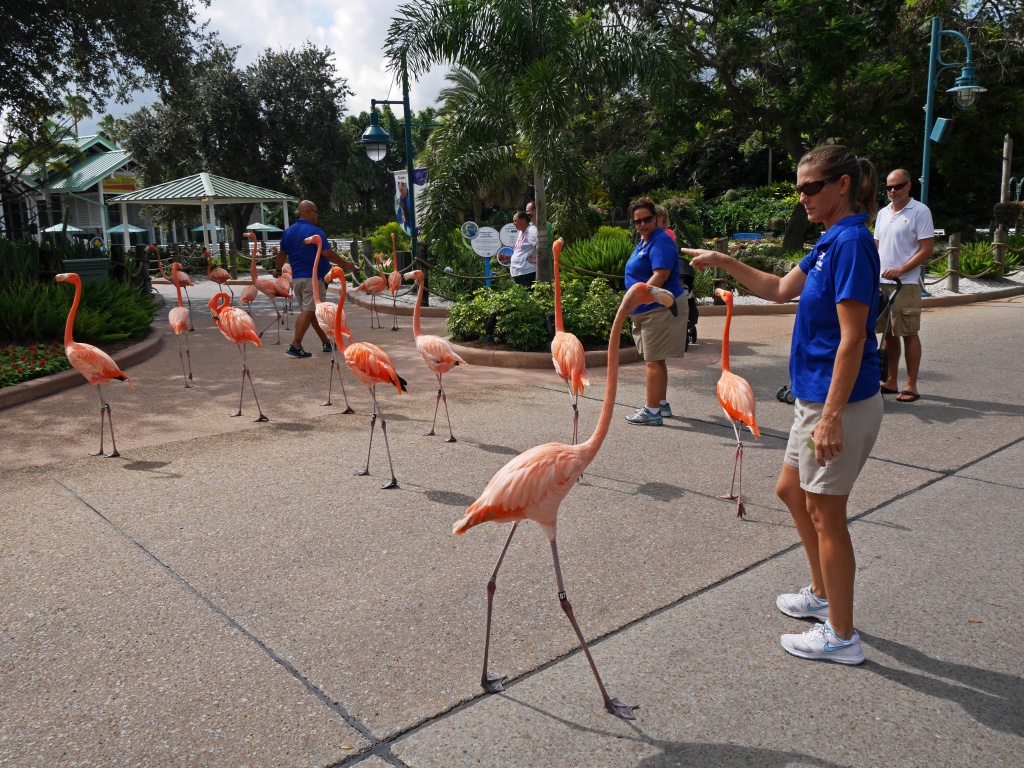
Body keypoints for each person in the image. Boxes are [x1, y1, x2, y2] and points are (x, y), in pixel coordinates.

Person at [684, 145, 883, 665]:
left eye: (812, 187)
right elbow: (777, 289)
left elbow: (853, 337)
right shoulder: (827, 242)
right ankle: (821, 596)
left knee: (827, 514)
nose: (803, 197)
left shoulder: (853, 243)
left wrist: (833, 415)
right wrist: (724, 261)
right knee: (790, 491)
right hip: (813, 399)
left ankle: (842, 636)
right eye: (799, 188)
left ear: (843, 185)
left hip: (836, 401)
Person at [623, 197, 688, 426]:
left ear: (656, 218)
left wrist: (634, 300)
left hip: (658, 308)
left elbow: (659, 277)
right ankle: (661, 404)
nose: (642, 224)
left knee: (653, 360)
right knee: (656, 359)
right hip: (646, 308)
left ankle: (652, 412)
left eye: (647, 219)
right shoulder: (646, 240)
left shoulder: (660, 241)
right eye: (637, 221)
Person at [875, 168, 934, 402]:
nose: (892, 191)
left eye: (897, 186)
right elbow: (877, 246)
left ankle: (911, 385)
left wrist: (901, 270)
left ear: (909, 186)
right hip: (881, 282)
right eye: (889, 187)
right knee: (889, 334)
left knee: (908, 332)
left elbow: (926, 248)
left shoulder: (920, 211)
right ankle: (891, 381)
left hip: (906, 283)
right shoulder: (882, 213)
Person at [275, 200, 356, 358]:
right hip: (312, 280)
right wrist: (346, 264)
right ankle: (295, 345)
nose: (318, 215)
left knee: (312, 312)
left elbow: (282, 254)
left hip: (297, 279)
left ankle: (325, 341)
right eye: (316, 211)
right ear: (309, 212)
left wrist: (278, 270)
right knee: (309, 311)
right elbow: (327, 253)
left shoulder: (288, 232)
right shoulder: (316, 232)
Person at [509, 210, 538, 288]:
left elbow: (542, 244)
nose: (513, 223)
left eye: (515, 221)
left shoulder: (531, 230)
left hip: (527, 272)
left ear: (523, 221)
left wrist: (539, 259)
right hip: (519, 272)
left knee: (528, 297)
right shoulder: (521, 232)